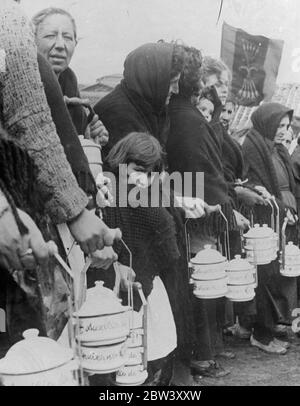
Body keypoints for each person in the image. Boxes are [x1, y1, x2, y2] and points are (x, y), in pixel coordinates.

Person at [167, 46, 249, 379]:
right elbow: (198, 170)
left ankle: (207, 349)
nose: (213, 89)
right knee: (201, 284)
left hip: (203, 209)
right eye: (210, 81)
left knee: (207, 284)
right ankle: (199, 355)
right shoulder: (188, 118)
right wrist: (215, 206)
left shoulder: (197, 117)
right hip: (198, 215)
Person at [103, 132, 180, 385]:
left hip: (138, 279)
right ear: (121, 162)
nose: (142, 178)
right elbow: (166, 236)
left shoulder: (140, 194)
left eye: (148, 173)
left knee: (148, 346)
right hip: (120, 280)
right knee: (139, 346)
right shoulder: (115, 192)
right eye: (137, 169)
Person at [242, 102, 298, 354]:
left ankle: (270, 325)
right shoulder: (253, 149)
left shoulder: (279, 150)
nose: (283, 131)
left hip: (285, 215)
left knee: (278, 274)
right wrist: (281, 207)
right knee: (265, 273)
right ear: (267, 123)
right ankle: (260, 333)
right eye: (279, 125)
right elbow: (251, 184)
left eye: (287, 126)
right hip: (266, 218)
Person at [94, 42, 184, 156]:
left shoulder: (150, 107)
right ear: (153, 79)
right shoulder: (116, 113)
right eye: (172, 83)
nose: (176, 90)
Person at [32, 7, 108, 144]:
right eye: (50, 36)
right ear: (32, 41)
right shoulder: (18, 89)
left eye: (67, 37)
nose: (61, 45)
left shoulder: (70, 86)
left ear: (75, 44)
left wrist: (87, 139)